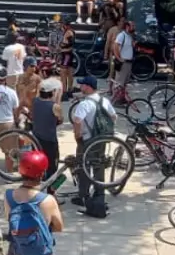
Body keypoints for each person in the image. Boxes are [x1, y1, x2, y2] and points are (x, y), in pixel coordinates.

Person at [70, 76, 116, 217]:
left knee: (83, 167)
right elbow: (114, 117)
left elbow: (77, 121)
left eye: (82, 85)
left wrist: (78, 136)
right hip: (101, 140)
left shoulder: (85, 104)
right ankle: (99, 193)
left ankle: (83, 196)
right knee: (99, 165)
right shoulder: (104, 100)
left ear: (88, 87)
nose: (80, 87)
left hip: (87, 140)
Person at [29, 81, 63, 175]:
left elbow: (32, 115)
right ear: (51, 92)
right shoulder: (55, 106)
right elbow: (60, 120)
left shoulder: (35, 101)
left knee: (37, 163)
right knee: (52, 166)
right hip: (50, 140)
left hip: (36, 138)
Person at [110, 19, 135, 103]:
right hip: (123, 62)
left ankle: (122, 98)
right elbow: (115, 46)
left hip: (128, 62)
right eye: (132, 26)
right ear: (127, 26)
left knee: (124, 83)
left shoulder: (129, 36)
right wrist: (119, 58)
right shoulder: (122, 35)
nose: (134, 27)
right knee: (119, 82)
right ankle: (116, 100)